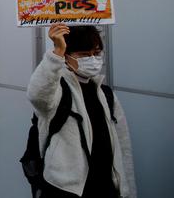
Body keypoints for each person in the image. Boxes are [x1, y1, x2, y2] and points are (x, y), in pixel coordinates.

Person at [27, 23, 136, 197]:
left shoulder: (106, 94)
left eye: (96, 53)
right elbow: (37, 95)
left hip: (106, 188)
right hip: (65, 190)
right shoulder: (57, 89)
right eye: (84, 55)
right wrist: (56, 53)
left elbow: (123, 149)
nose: (92, 60)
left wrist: (126, 190)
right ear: (67, 56)